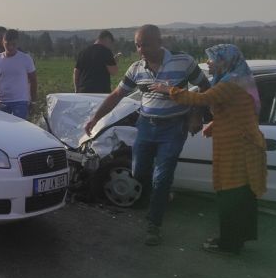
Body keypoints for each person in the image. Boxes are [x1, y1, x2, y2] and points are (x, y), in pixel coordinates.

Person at [85, 24, 211, 246]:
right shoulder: (136, 68)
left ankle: (154, 225)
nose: (141, 50)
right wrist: (96, 118)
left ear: (159, 42)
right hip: (146, 126)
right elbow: (117, 94)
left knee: (161, 177)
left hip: (173, 128)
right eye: (137, 45)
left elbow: (205, 86)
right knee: (139, 172)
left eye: (145, 45)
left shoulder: (183, 62)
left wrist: (196, 114)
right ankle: (162, 190)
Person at [150, 44, 266, 255]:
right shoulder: (236, 78)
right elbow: (238, 111)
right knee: (240, 195)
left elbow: (202, 99)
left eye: (213, 59)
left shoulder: (231, 83)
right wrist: (215, 124)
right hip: (239, 144)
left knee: (231, 195)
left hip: (237, 150)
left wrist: (169, 90)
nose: (209, 63)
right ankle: (236, 239)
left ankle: (229, 244)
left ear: (225, 61)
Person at [0, 29, 37, 119]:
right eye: (7, 44)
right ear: (3, 43)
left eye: (13, 44)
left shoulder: (26, 59)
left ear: (17, 43)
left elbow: (33, 80)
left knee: (19, 129)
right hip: (1, 102)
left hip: (20, 102)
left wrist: (33, 101)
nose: (10, 47)